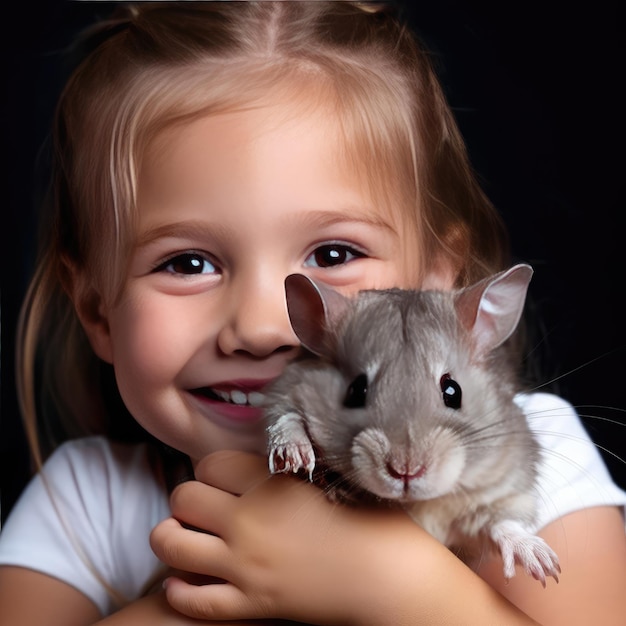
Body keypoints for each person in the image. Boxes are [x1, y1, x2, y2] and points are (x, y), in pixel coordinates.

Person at [0, 2, 625, 625]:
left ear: (442, 282)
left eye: (333, 253)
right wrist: (204, 597)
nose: (262, 327)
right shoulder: (82, 501)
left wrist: (397, 582)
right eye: (188, 263)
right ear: (97, 311)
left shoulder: (527, 451)